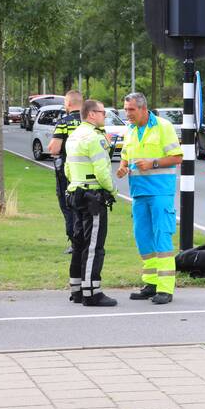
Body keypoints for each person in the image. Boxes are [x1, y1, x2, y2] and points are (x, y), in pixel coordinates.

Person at [117, 92, 182, 305]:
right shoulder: (130, 129)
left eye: (131, 110)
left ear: (144, 109)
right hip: (138, 192)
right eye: (126, 109)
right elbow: (126, 155)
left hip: (160, 191)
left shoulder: (163, 126)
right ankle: (151, 283)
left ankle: (165, 289)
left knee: (161, 236)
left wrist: (153, 163)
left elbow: (177, 157)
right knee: (143, 238)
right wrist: (123, 166)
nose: (128, 114)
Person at [64, 100, 118, 307]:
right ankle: (92, 292)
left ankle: (77, 289)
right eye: (103, 112)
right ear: (91, 114)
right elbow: (103, 172)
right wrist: (112, 190)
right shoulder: (95, 138)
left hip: (75, 193)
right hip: (92, 196)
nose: (105, 116)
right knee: (94, 245)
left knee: (78, 243)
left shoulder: (74, 135)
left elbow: (68, 169)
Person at [47, 90, 83, 256]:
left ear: (68, 104)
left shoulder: (64, 122)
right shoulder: (90, 121)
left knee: (68, 204)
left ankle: (75, 242)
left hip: (67, 172)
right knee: (85, 206)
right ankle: (86, 239)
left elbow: (54, 148)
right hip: (87, 172)